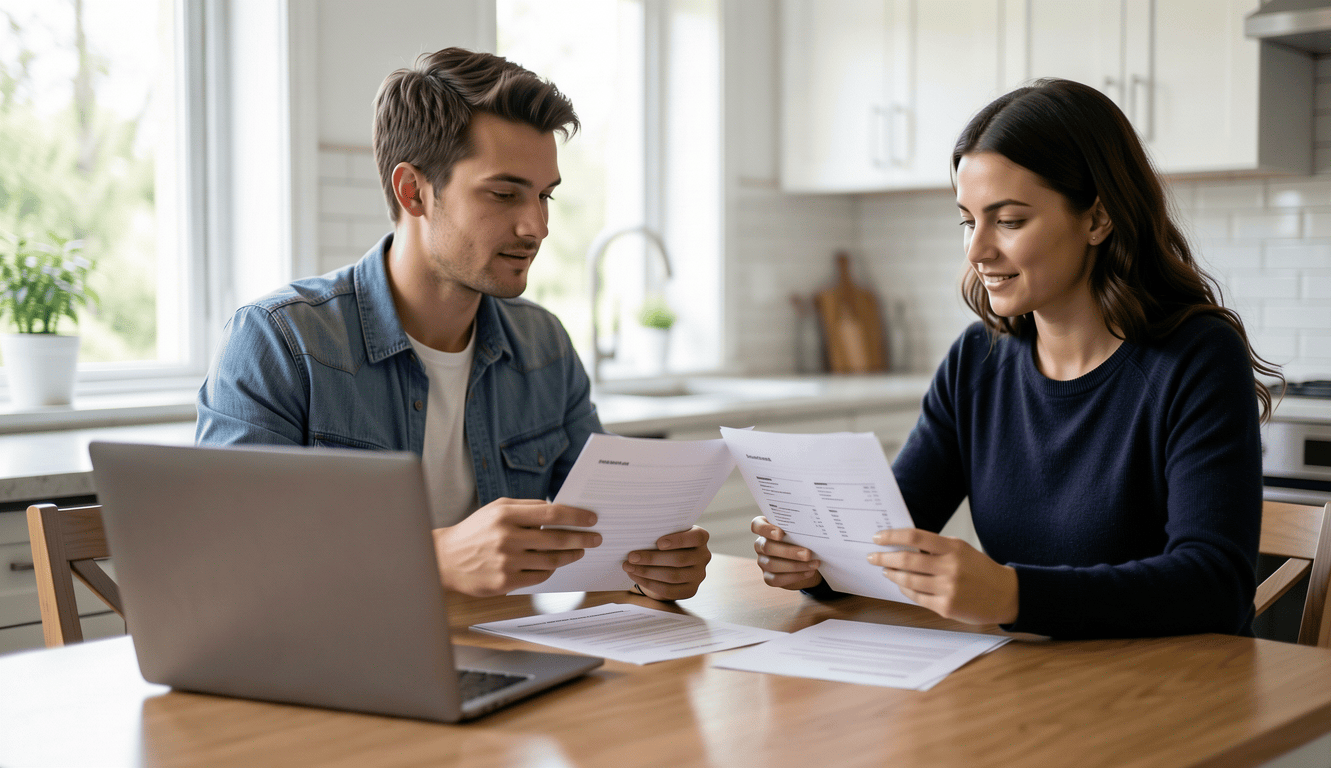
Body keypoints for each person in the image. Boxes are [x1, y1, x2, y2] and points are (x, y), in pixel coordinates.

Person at [752, 78, 1276, 639]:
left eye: (1008, 221)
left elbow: (1215, 586)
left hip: (1169, 696)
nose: (977, 250)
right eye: (967, 220)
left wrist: (1011, 593)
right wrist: (816, 561)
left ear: (1098, 219)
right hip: (1024, 685)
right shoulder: (977, 360)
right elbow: (884, 541)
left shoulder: (1196, 358)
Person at [196, 47, 710, 601]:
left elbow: (599, 537)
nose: (536, 226)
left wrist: (651, 566)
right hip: (330, 671)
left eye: (545, 196)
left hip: (512, 658)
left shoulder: (544, 346)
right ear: (413, 191)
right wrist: (431, 557)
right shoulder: (278, 342)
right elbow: (228, 563)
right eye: (504, 193)